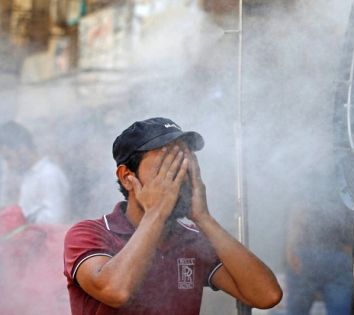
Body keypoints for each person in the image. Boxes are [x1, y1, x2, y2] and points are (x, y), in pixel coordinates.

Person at [63, 117, 282, 314]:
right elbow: (115, 290)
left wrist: (203, 218)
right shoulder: (90, 233)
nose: (179, 177)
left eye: (184, 165)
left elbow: (266, 296)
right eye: (166, 167)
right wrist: (156, 214)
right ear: (127, 176)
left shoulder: (192, 239)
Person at [285, 188, 354, 315]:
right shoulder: (346, 187)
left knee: (297, 311)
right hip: (338, 257)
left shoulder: (308, 182)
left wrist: (290, 249)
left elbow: (298, 214)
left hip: (306, 255)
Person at [0, 121, 70, 224]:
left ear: (22, 150)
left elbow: (55, 218)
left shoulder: (49, 174)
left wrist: (21, 219)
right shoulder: (27, 175)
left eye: (8, 158)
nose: (9, 165)